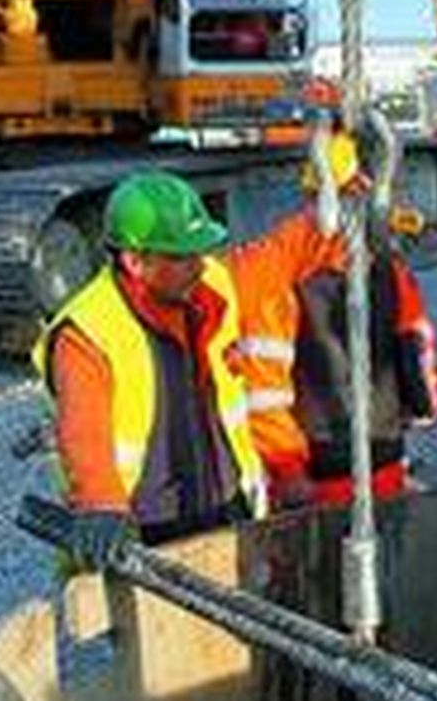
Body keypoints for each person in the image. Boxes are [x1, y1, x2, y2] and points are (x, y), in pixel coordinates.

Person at [32, 171, 267, 564]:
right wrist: (102, 503)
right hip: (147, 530)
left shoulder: (208, 287)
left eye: (200, 250)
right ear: (135, 262)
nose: (199, 265)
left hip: (223, 506)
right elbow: (82, 433)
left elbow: (275, 260)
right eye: (182, 255)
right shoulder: (89, 332)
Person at [229, 130, 437, 510]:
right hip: (321, 472)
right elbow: (263, 387)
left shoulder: (379, 263)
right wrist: (289, 471)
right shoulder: (285, 272)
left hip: (376, 456)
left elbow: (416, 346)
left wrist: (427, 402)